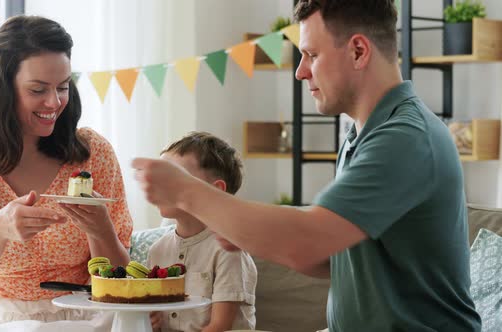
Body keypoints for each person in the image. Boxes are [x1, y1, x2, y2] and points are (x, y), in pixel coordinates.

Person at [132, 0, 482, 331]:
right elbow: (331, 258)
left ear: (358, 51)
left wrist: (184, 189)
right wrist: (251, 232)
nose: (300, 72)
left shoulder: (404, 138)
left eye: (312, 55)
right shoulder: (362, 136)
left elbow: (308, 240)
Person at [0, 15, 132, 331]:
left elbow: (122, 282)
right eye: (38, 89)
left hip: (89, 317)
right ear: (3, 89)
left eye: (63, 87)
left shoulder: (93, 153)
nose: (54, 102)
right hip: (4, 321)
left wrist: (101, 230)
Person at [146, 132, 257, 332]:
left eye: (174, 177)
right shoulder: (157, 250)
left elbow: (220, 326)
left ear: (215, 191)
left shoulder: (229, 250)